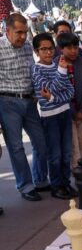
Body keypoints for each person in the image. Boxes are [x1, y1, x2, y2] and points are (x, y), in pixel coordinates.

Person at [0, 13, 49, 201]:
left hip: (29, 101)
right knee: (16, 147)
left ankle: (40, 180)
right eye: (19, 32)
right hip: (7, 102)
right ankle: (26, 185)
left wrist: (37, 91)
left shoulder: (27, 46)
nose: (23, 36)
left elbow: (32, 71)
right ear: (7, 30)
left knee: (41, 142)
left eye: (25, 32)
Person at [31, 32, 76, 200]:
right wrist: (61, 72)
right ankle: (56, 185)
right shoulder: (36, 69)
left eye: (51, 48)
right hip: (50, 117)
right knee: (55, 154)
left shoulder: (59, 65)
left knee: (66, 152)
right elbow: (50, 88)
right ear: (36, 51)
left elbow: (70, 91)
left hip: (65, 112)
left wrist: (52, 98)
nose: (48, 52)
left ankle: (65, 182)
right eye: (43, 49)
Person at [56, 32, 82, 172]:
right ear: (61, 49)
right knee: (73, 145)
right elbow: (57, 90)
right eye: (69, 48)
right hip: (65, 112)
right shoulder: (55, 64)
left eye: (75, 47)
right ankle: (76, 172)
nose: (73, 51)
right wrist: (72, 111)